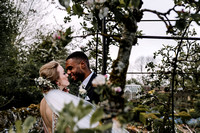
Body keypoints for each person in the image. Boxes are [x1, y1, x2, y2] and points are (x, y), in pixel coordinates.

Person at [37, 61, 97, 133]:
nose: (67, 75)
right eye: (63, 73)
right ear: (57, 81)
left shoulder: (44, 100)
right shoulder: (58, 100)